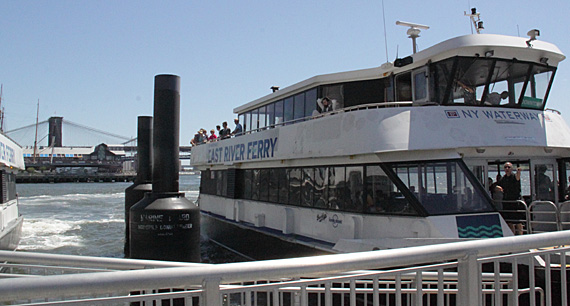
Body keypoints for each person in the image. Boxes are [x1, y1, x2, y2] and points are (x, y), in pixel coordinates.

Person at [497, 162, 523, 234]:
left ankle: (521, 236)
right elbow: (498, 185)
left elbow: (518, 178)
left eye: (509, 167)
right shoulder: (503, 179)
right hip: (507, 202)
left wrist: (519, 172)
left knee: (518, 222)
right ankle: (512, 235)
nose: (507, 169)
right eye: (505, 167)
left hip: (515, 202)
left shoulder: (514, 176)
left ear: (511, 169)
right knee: (509, 222)